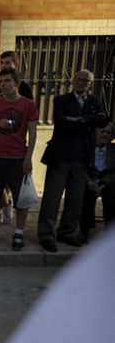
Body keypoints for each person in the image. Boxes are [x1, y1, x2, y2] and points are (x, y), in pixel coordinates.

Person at [37, 69, 110, 252]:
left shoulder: (94, 101)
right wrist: (87, 122)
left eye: (86, 80)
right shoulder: (61, 100)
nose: (82, 83)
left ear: (91, 84)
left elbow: (103, 120)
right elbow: (62, 123)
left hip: (82, 157)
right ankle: (46, 234)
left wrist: (79, 119)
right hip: (60, 156)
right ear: (73, 81)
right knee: (52, 198)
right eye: (79, 79)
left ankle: (67, 232)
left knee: (75, 198)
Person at [0, 68, 38, 251]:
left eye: (7, 81)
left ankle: (19, 233)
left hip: (18, 157)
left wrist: (28, 158)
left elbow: (33, 132)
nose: (3, 84)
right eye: (1, 81)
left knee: (21, 199)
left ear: (17, 83)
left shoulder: (29, 104)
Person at [79, 122, 115, 243]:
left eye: (108, 132)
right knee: (86, 196)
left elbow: (114, 172)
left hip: (106, 181)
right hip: (89, 179)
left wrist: (103, 184)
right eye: (102, 131)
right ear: (95, 133)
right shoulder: (86, 148)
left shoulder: (113, 150)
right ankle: (85, 231)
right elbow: (81, 167)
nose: (105, 134)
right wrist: (89, 181)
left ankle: (110, 233)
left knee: (112, 194)